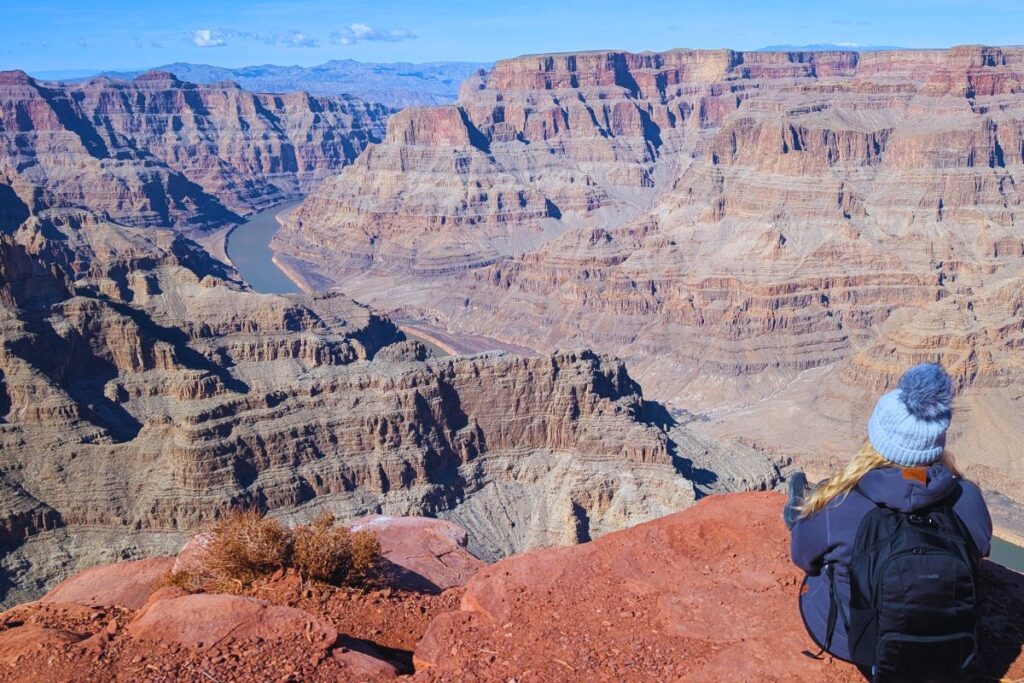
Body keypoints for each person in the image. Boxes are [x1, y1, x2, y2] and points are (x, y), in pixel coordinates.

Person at [785, 363, 992, 678]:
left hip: (853, 642)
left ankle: (797, 512)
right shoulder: (968, 500)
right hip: (949, 643)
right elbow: (980, 551)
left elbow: (803, 558)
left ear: (877, 440)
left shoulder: (839, 504)